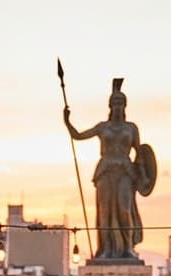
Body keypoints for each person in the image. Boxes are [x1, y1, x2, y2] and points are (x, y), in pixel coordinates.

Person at [63, 78, 155, 259]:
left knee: (124, 209)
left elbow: (140, 154)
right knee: (104, 211)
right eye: (115, 103)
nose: (118, 106)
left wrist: (143, 176)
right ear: (110, 106)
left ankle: (127, 248)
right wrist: (67, 121)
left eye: (121, 103)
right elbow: (78, 136)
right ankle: (105, 249)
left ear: (125, 106)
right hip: (105, 171)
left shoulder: (131, 128)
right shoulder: (102, 127)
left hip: (126, 172)